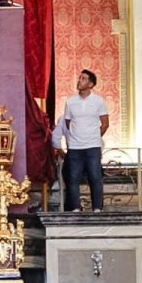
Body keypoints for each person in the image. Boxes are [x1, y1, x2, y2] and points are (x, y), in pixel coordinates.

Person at [51, 70, 110, 212]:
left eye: (83, 79)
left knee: (95, 176)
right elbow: (67, 122)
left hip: (93, 145)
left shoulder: (98, 101)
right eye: (79, 78)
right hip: (75, 146)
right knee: (73, 177)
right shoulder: (70, 102)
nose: (79, 81)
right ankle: (76, 208)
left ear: (90, 84)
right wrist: (76, 136)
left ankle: (97, 208)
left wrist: (94, 136)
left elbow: (105, 123)